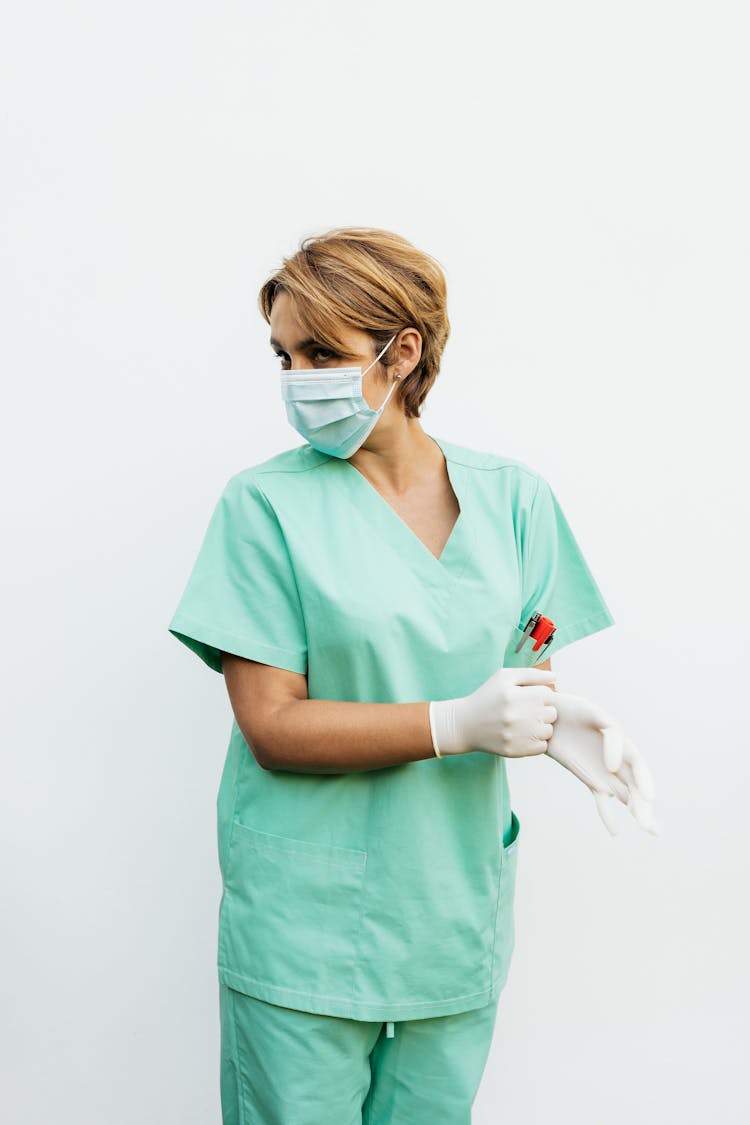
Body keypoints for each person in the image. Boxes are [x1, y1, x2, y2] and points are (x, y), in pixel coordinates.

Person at [167, 227, 629, 1124]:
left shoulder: (515, 500)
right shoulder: (262, 507)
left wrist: (561, 723)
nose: (299, 377)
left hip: (450, 911)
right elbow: (272, 724)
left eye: (322, 353)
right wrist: (455, 723)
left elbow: (523, 676)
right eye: (284, 355)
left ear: (402, 351)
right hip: (305, 927)